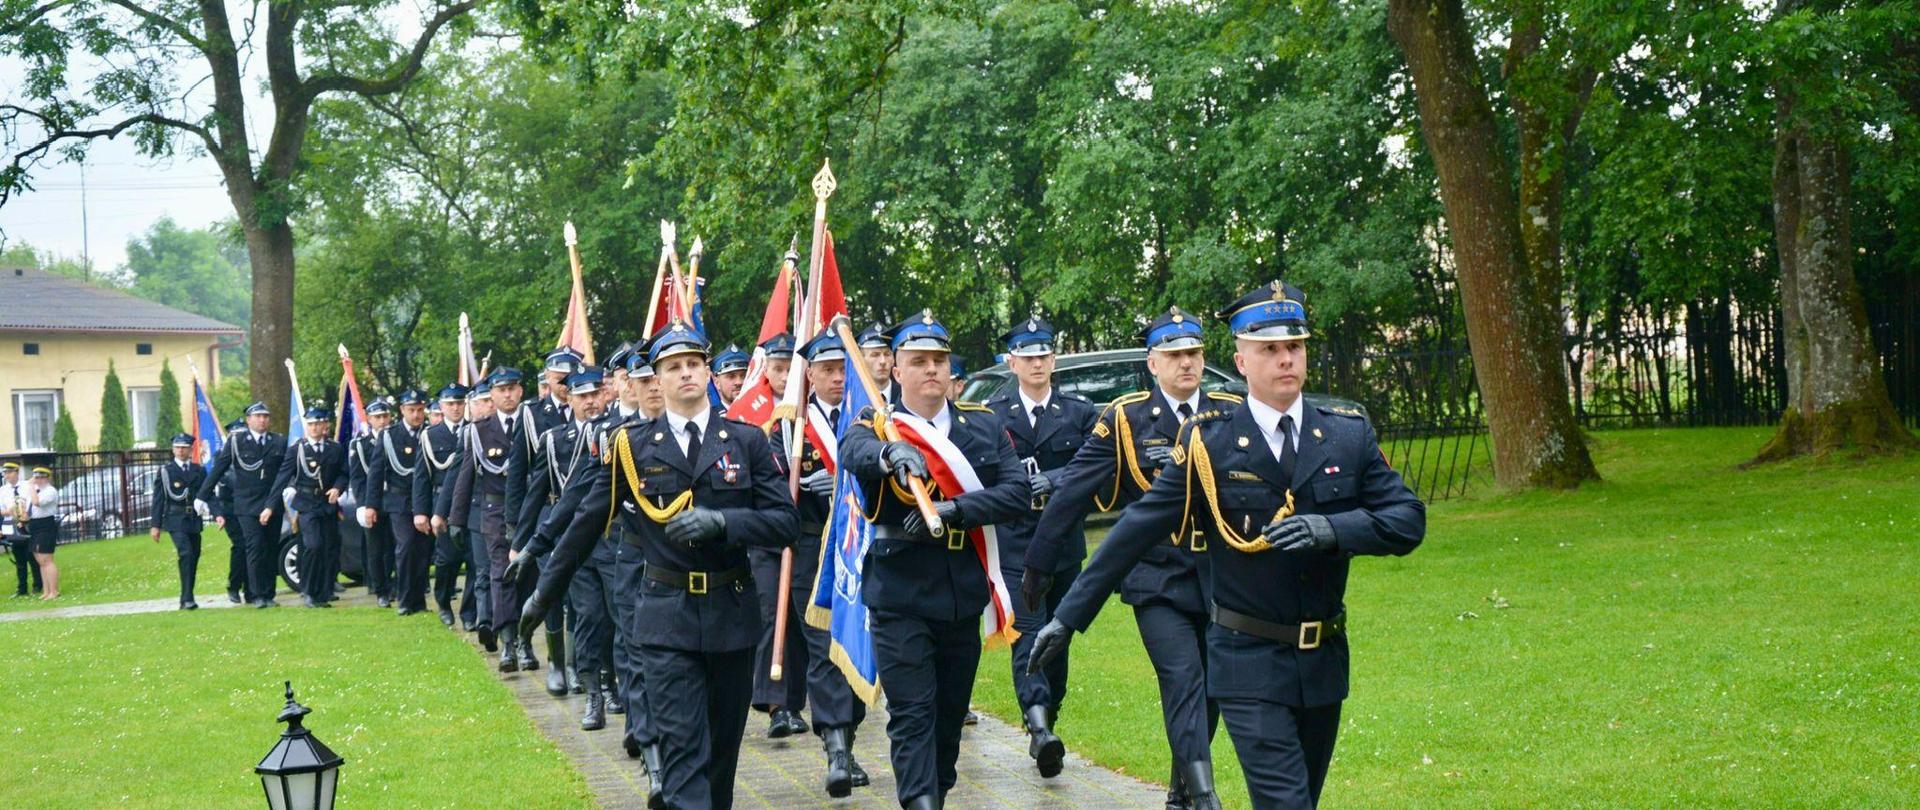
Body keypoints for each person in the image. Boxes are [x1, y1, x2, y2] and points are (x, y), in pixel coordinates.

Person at [1030, 281, 1426, 810]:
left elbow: (1406, 520)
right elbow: (1136, 528)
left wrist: (1332, 531)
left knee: (1301, 798)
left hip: (1323, 660)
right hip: (1247, 657)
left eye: (1295, 347)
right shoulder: (1209, 440)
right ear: (1241, 361)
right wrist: (1068, 617)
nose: (1286, 359)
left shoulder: (1346, 435)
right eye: (1270, 350)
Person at [522, 322, 798, 810]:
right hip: (665, 618)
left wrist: (723, 521)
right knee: (683, 748)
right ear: (657, 379)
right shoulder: (633, 446)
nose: (685, 373)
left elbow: (785, 523)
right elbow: (586, 523)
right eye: (673, 367)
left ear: (708, 372)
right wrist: (545, 592)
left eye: (693, 364)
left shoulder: (747, 441)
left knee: (721, 758)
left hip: (731, 616)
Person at [1023, 306, 1241, 809]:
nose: (1187, 364)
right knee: (1183, 677)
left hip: (1221, 577)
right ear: (1153, 363)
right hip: (1156, 577)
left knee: (1210, 693)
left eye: (1194, 353)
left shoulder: (1231, 410)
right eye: (1174, 355)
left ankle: (1181, 787)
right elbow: (1074, 489)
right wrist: (1038, 563)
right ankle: (1205, 797)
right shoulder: (1127, 417)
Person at [839, 311, 1029, 810]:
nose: (931, 371)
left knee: (947, 718)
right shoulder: (877, 425)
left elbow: (1016, 493)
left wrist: (955, 508)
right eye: (918, 361)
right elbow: (853, 451)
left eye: (939, 361)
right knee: (912, 713)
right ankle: (920, 801)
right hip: (899, 590)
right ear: (896, 371)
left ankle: (934, 793)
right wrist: (890, 457)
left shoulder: (984, 425)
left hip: (960, 590)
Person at [984, 316, 1098, 778]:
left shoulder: (1078, 412)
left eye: (1044, 355)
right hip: (1015, 545)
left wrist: (1054, 480)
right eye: (1027, 356)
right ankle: (1037, 726)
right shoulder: (992, 414)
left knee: (1059, 638)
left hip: (1065, 545)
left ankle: (1048, 715)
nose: (1036, 363)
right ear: (1012, 362)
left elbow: (1095, 466)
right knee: (1027, 634)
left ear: (1054, 359)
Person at [781, 330, 873, 796]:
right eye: (829, 370)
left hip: (856, 546)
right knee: (821, 646)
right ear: (810, 374)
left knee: (851, 642)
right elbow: (769, 487)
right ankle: (836, 747)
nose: (838, 378)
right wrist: (794, 489)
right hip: (809, 546)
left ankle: (848, 740)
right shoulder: (789, 424)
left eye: (843, 370)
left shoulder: (869, 416)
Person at [510, 367, 609, 706]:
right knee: (552, 594)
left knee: (589, 609)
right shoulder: (554, 438)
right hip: (556, 522)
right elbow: (535, 490)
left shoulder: (614, 432)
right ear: (570, 398)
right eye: (583, 396)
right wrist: (520, 540)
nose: (591, 402)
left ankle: (576, 666)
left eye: (596, 394)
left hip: (599, 529)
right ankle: (555, 662)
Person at [448, 368, 539, 672]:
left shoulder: (534, 424)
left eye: (513, 388)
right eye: (501, 390)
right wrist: (457, 519)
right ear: (492, 395)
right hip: (495, 513)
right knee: (502, 576)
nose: (508, 395)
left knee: (530, 576)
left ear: (521, 391)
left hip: (531, 511)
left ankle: (526, 641)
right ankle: (510, 645)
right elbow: (465, 475)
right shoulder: (479, 430)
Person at [749, 329, 808, 740]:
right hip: (765, 535)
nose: (785, 375)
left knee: (805, 623)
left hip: (804, 534)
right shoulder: (750, 412)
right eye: (778, 367)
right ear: (765, 369)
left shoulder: (808, 414)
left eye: (792, 367)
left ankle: (796, 700)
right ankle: (774, 706)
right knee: (771, 617)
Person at [197, 402, 287, 608]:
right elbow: (218, 469)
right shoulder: (237, 441)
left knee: (271, 548)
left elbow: (285, 471)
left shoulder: (279, 441)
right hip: (247, 505)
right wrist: (201, 496)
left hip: (272, 503)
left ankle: (269, 592)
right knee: (254, 547)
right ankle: (256, 595)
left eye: (265, 416)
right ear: (248, 420)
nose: (262, 420)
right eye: (258, 416)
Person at [274, 406, 347, 608]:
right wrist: (274, 501)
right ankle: (307, 590)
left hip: (327, 504)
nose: (315, 428)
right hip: (306, 504)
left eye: (318, 423)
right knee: (312, 545)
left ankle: (322, 593)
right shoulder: (297, 449)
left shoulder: (335, 448)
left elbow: (343, 472)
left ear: (325, 425)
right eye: (311, 424)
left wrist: (337, 488)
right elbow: (284, 475)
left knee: (326, 548)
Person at [370, 389, 434, 616]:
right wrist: (371, 505)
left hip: (425, 500)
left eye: (419, 410)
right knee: (406, 547)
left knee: (423, 550)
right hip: (399, 500)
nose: (417, 415)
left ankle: (419, 599)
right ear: (402, 410)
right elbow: (376, 473)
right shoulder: (389, 436)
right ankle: (405, 599)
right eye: (411, 410)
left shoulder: (429, 433)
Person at [423, 384, 476, 628]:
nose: (455, 408)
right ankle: (443, 603)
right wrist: (424, 512)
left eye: (459, 403)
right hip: (442, 506)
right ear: (441, 407)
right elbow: (422, 478)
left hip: (471, 504)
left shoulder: (474, 430)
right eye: (450, 404)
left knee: (475, 561)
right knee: (446, 561)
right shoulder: (431, 436)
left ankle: (469, 613)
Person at [151, 434, 209, 610]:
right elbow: (158, 499)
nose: (181, 450)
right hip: (175, 519)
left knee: (194, 556)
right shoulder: (166, 472)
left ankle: (188, 596)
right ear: (173, 449)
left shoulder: (198, 470)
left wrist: (218, 513)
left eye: (184, 447)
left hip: (193, 519)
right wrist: (156, 525)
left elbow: (206, 493)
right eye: (177, 447)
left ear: (191, 449)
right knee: (186, 553)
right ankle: (187, 597)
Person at [350, 399, 397, 607]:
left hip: (395, 499)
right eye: (377, 417)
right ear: (369, 419)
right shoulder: (360, 444)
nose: (382, 421)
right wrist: (363, 505)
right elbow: (358, 478)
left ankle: (393, 584)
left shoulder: (397, 439)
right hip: (373, 501)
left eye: (385, 416)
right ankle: (381, 590)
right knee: (376, 548)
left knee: (395, 546)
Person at [215, 417, 247, 603]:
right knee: (240, 546)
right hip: (231, 510)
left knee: (252, 548)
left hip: (250, 508)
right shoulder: (222, 456)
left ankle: (251, 588)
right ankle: (234, 586)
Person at [3, 462, 41, 598]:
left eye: (9, 472)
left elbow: (34, 504)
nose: (6, 475)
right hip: (13, 525)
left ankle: (38, 585)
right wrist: (9, 511)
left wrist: (26, 516)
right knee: (19, 559)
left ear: (16, 472)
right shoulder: (3, 490)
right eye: (5, 473)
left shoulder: (27, 486)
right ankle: (22, 588)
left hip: (28, 525)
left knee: (32, 557)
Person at [24, 467, 61, 599]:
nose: (38, 480)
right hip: (35, 524)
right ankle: (46, 591)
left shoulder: (50, 491)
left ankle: (54, 590)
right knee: (40, 560)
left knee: (47, 559)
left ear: (47, 478)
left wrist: (31, 487)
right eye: (36, 477)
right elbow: (29, 508)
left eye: (41, 477)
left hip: (45, 524)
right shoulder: (36, 491)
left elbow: (37, 503)